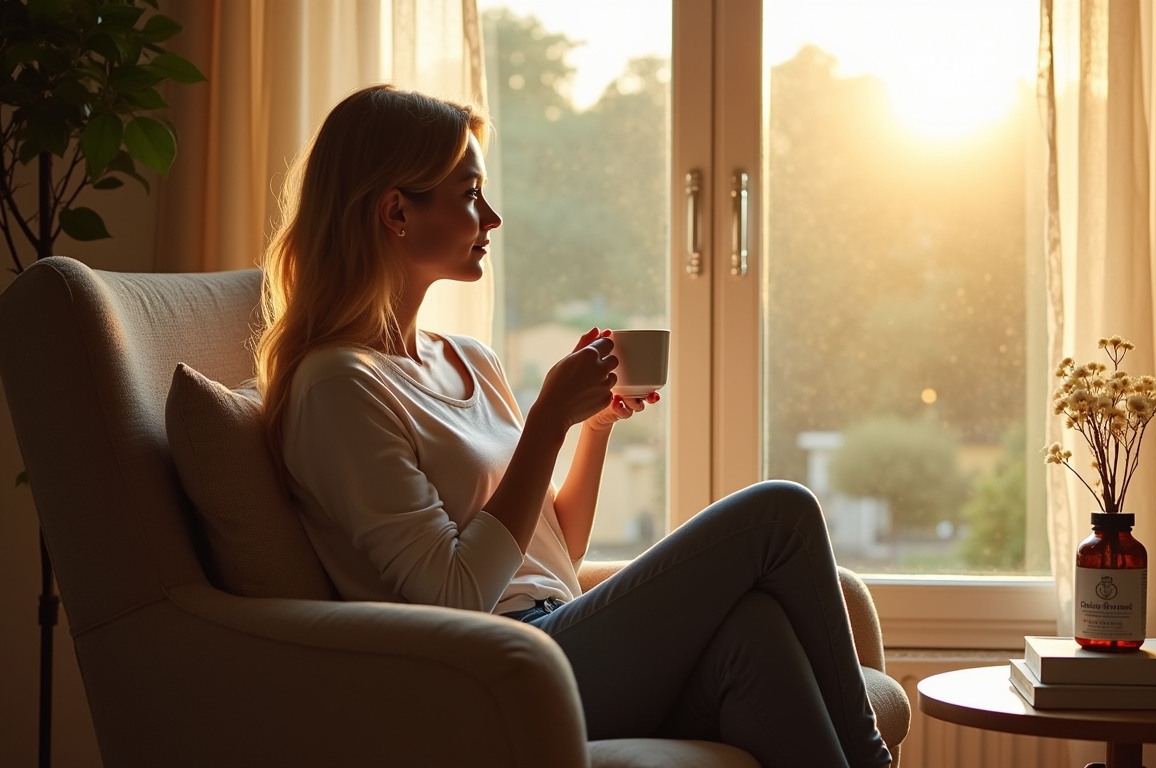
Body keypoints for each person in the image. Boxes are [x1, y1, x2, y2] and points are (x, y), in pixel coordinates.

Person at [253, 84, 891, 768]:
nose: (491, 217)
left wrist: (590, 430)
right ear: (396, 212)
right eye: (469, 194)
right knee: (780, 514)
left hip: (562, 633)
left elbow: (555, 550)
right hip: (493, 672)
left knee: (756, 633)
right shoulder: (338, 386)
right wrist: (546, 423)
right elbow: (456, 596)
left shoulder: (469, 357)